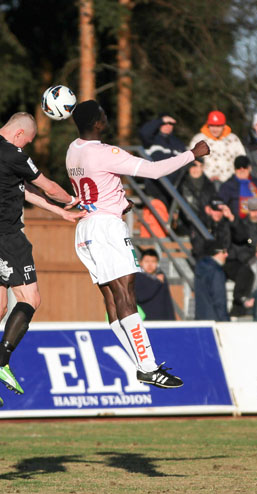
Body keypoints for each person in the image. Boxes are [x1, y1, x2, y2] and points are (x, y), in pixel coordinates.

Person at [68, 100, 209, 390]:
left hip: (86, 228)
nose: (107, 117)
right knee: (125, 292)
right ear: (97, 123)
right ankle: (147, 367)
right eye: (104, 114)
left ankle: (140, 364)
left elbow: (97, 184)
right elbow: (154, 171)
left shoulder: (73, 149)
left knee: (111, 297)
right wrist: (192, 154)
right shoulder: (105, 152)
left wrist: (121, 201)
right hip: (106, 228)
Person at [0, 111, 83, 408]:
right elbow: (47, 186)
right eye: (27, 142)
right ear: (19, 135)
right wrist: (71, 200)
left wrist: (60, 213)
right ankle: (0, 361)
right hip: (5, 236)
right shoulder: (12, 152)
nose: (26, 147)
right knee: (30, 298)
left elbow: (22, 189)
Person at [138, 113, 187, 206]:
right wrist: (161, 120)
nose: (168, 126)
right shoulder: (151, 140)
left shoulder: (178, 143)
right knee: (160, 212)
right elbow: (143, 132)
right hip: (156, 184)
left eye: (170, 124)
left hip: (175, 185)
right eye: (165, 123)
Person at [188, 110, 246, 184]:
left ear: (224, 125)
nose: (215, 129)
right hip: (205, 183)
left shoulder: (233, 139)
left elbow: (242, 160)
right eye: (212, 125)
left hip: (230, 183)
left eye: (218, 126)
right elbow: (191, 163)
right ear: (208, 125)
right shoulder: (198, 140)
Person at [218, 155, 257, 221]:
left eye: (244, 167)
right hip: (237, 224)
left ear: (249, 168)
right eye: (238, 167)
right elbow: (221, 207)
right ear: (235, 169)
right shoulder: (227, 187)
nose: (242, 170)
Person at [134, 249, 176, 320]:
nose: (150, 265)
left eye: (153, 261)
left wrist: (172, 320)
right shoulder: (137, 277)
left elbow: (167, 301)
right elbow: (140, 297)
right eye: (146, 261)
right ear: (141, 263)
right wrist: (157, 282)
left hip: (162, 321)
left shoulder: (161, 276)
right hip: (145, 321)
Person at [194, 241, 230, 321]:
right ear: (215, 252)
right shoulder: (216, 272)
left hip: (201, 318)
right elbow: (219, 300)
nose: (226, 254)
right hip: (215, 320)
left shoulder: (201, 268)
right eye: (223, 251)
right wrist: (225, 322)